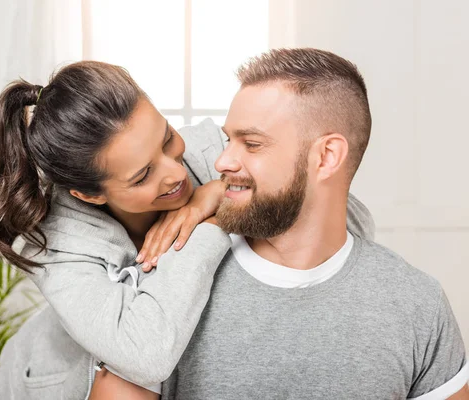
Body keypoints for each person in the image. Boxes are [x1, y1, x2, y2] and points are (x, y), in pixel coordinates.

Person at [0, 60, 374, 399]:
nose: (175, 173)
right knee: (128, 382)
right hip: (61, 385)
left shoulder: (212, 152)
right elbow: (145, 357)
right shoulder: (55, 246)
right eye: (143, 176)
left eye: (167, 138)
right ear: (90, 195)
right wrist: (214, 226)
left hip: (190, 372)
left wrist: (215, 196)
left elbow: (346, 221)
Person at [160, 48, 469, 399]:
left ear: (326, 157)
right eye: (229, 140)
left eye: (252, 143)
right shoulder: (171, 284)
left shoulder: (417, 304)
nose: (223, 161)